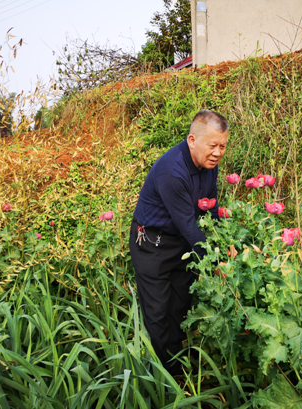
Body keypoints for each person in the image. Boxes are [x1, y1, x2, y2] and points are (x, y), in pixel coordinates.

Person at [129, 109, 229, 376]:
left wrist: (220, 244)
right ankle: (168, 379)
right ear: (192, 140)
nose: (218, 152)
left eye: (222, 146)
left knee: (180, 303)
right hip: (152, 243)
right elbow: (189, 225)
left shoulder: (209, 165)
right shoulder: (172, 173)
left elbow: (210, 210)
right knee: (158, 311)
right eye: (213, 145)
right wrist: (214, 262)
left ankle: (180, 360)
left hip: (182, 243)